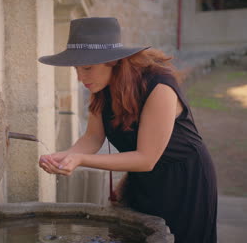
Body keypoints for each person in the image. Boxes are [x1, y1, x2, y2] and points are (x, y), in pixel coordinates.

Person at [37, 17, 217, 243]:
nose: (80, 77)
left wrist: (80, 159)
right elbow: (93, 138)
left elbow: (146, 158)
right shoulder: (100, 87)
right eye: (76, 68)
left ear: (112, 61)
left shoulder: (158, 86)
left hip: (183, 182)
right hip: (142, 180)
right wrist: (64, 156)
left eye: (87, 68)